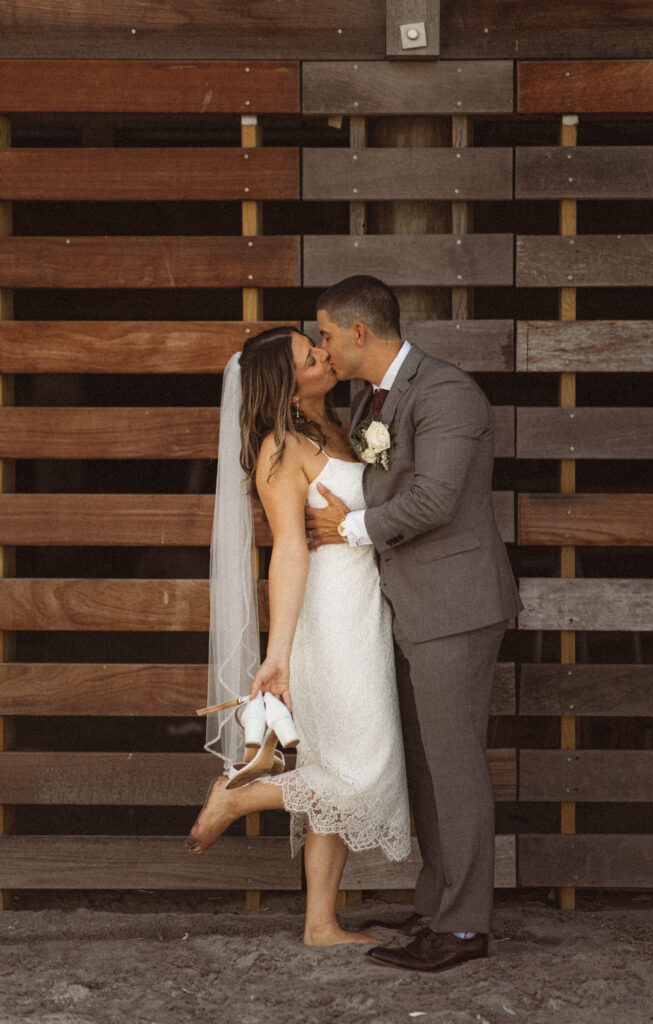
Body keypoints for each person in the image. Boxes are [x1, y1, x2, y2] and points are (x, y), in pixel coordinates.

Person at [305, 276, 524, 973]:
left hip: (455, 606)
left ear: (358, 333)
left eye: (326, 336)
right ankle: (436, 906)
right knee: (427, 764)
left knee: (453, 766)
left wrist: (349, 528)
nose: (322, 348)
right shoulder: (370, 398)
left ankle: (462, 929)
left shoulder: (447, 392)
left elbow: (431, 499)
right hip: (408, 603)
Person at [185, 326, 410, 947]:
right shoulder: (279, 449)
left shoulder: (346, 421)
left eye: (317, 345)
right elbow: (288, 551)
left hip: (369, 605)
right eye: (309, 357)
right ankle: (238, 800)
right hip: (330, 617)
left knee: (336, 762)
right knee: (361, 769)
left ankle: (320, 923)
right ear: (285, 388)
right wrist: (277, 655)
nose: (323, 354)